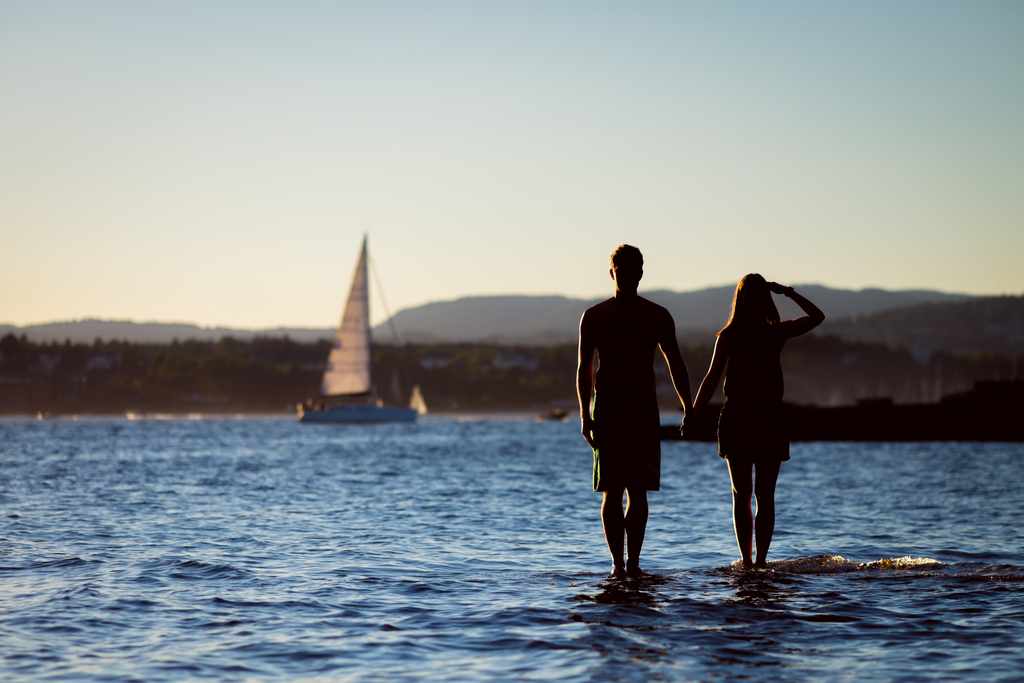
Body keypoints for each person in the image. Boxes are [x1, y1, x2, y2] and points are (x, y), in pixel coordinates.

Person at [692, 275, 824, 569]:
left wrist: (693, 413)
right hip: (766, 417)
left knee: (742, 495)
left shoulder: (731, 336)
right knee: (765, 496)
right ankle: (760, 561)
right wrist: (788, 293)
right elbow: (817, 316)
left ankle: (749, 562)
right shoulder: (772, 333)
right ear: (766, 300)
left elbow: (712, 378)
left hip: (741, 417)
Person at [576, 244, 692, 579]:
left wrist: (689, 406)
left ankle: (627, 565)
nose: (626, 275)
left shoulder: (651, 315)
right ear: (614, 272)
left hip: (635, 408)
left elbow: (676, 365)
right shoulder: (599, 316)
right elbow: (584, 369)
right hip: (615, 407)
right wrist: (585, 414)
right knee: (620, 491)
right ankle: (623, 564)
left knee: (628, 491)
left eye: (629, 270)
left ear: (638, 273)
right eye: (622, 270)